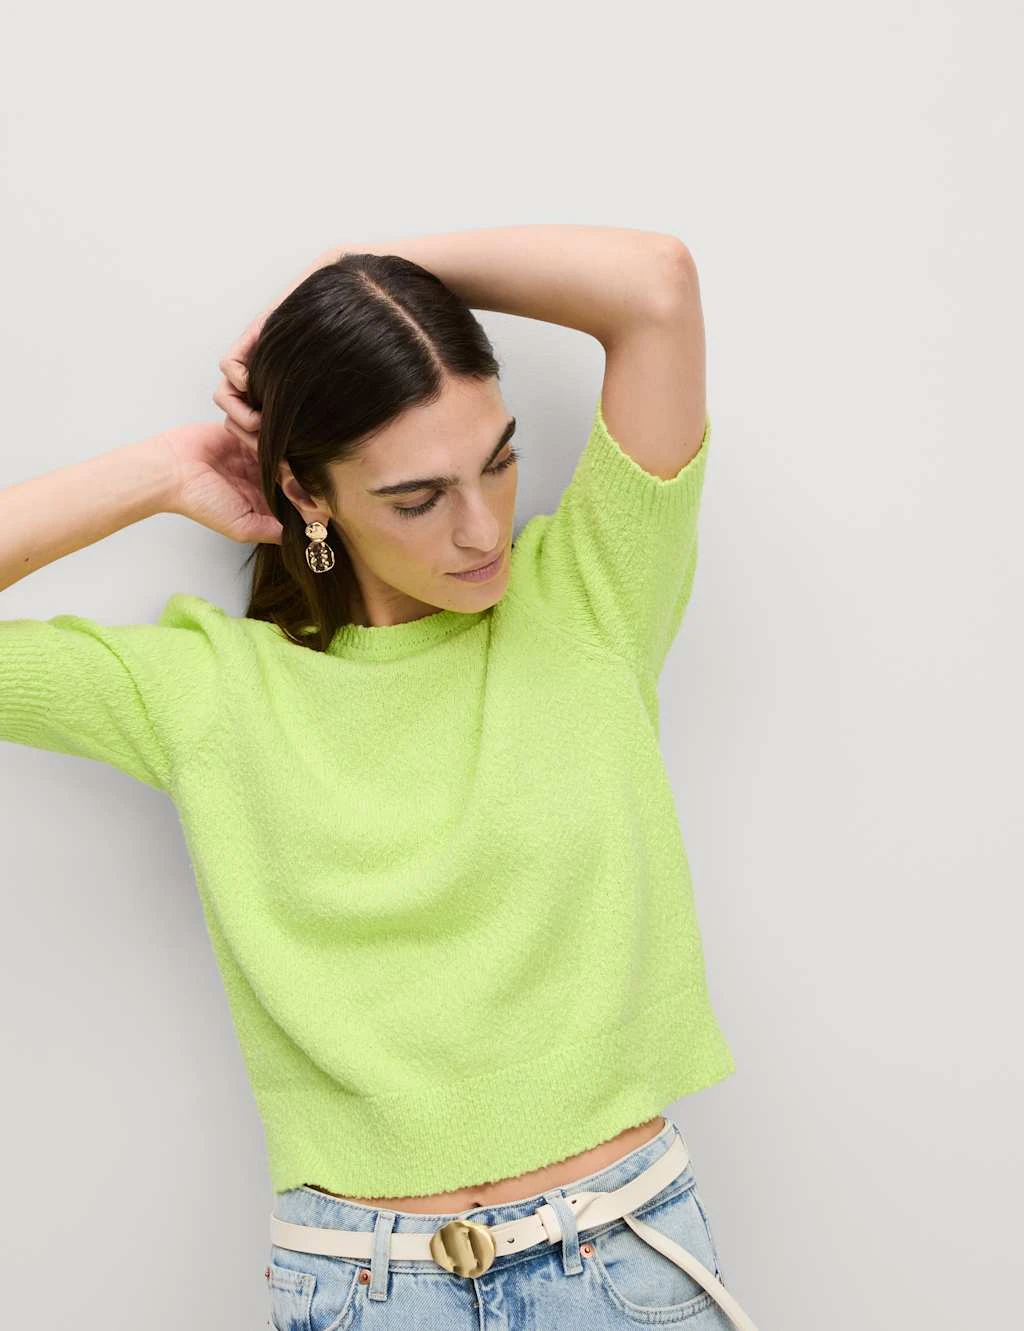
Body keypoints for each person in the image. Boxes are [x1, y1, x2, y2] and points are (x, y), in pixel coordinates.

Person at [0, 225, 758, 1329]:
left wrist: (367, 273)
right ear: (311, 495)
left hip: (621, 1261)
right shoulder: (212, 690)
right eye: (416, 498)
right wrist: (160, 473)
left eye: (498, 460)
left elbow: (656, 286)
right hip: (367, 1287)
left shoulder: (590, 596)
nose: (482, 527)